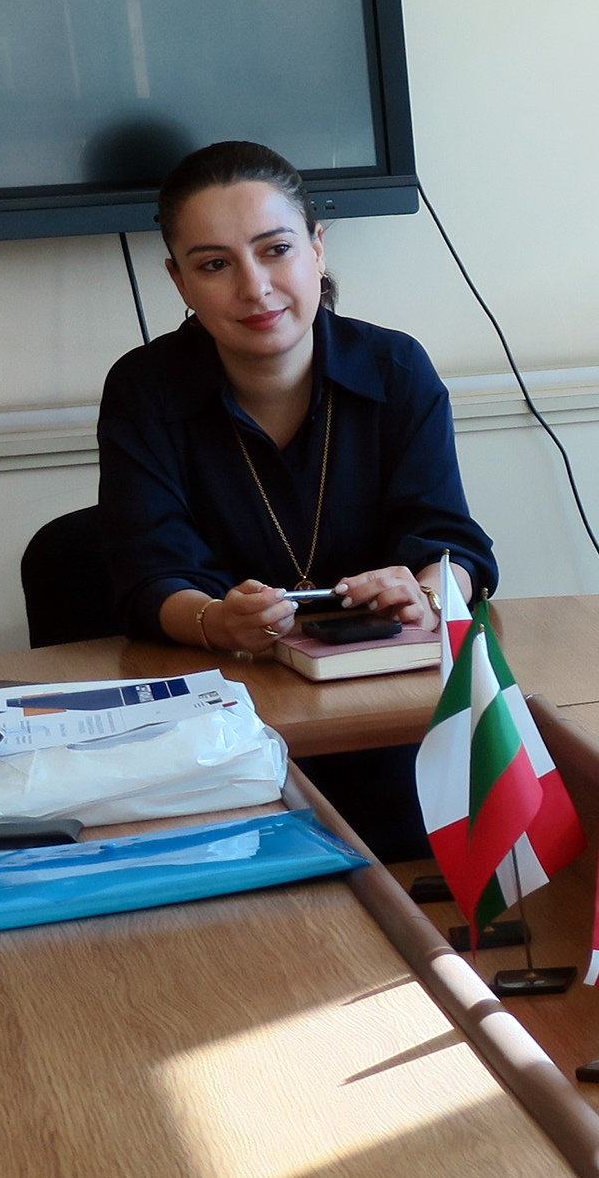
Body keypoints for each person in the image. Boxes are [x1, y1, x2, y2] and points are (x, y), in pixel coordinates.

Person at [95, 139, 494, 858]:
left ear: (316, 247)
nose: (254, 288)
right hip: (219, 734)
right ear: (179, 280)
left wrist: (427, 594)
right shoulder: (143, 390)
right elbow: (147, 575)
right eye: (214, 265)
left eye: (275, 250)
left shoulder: (396, 368)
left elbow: (452, 542)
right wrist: (217, 620)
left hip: (391, 711)